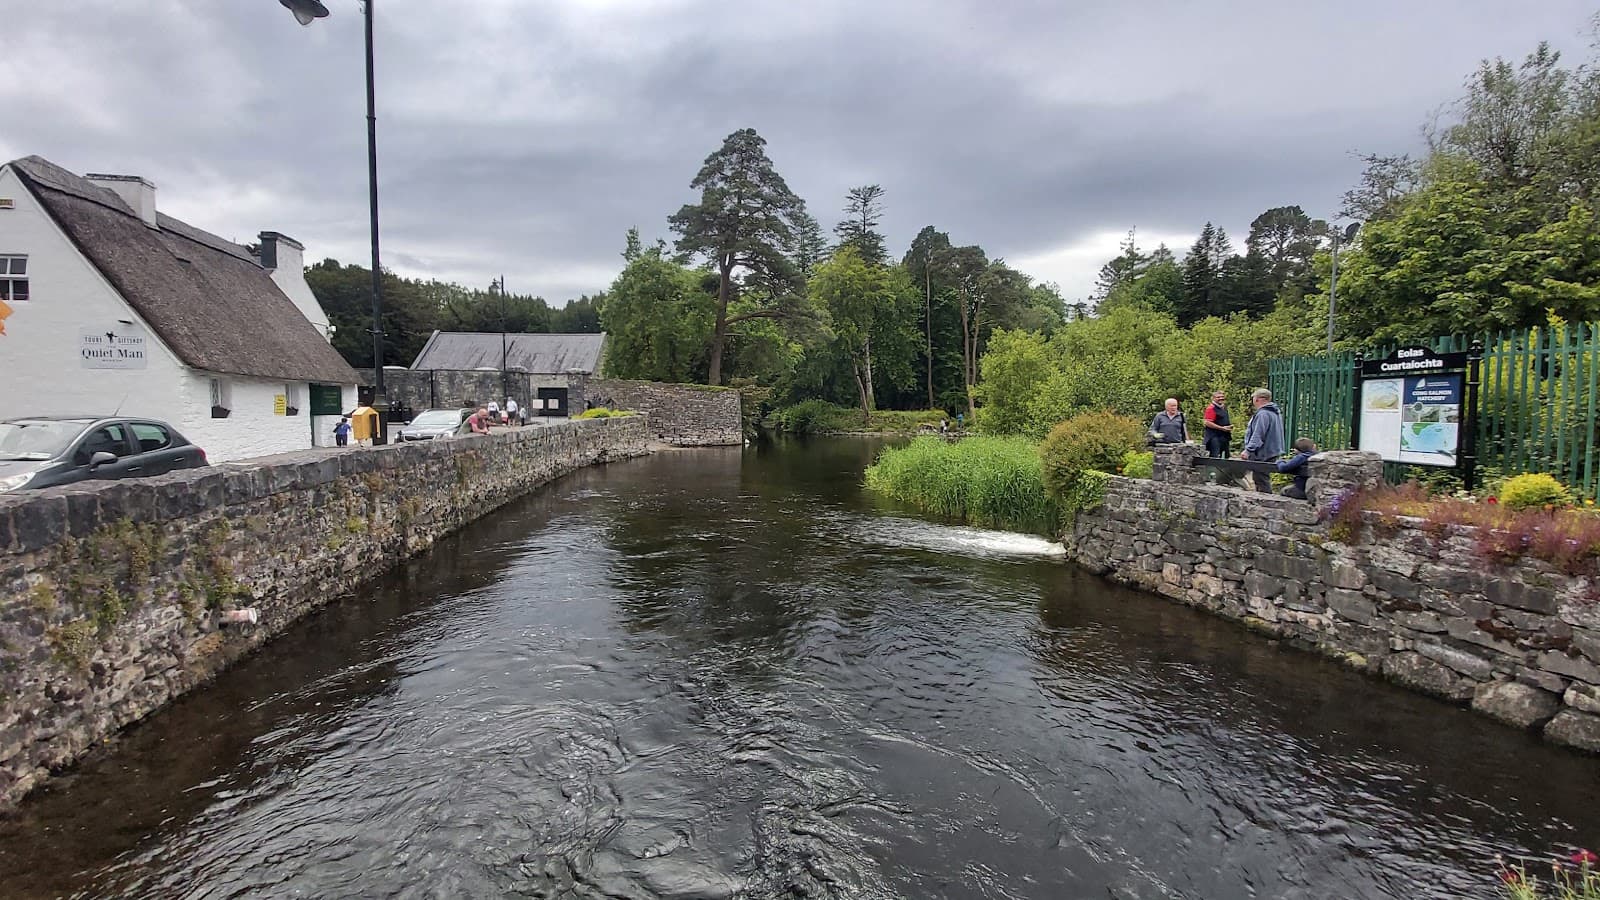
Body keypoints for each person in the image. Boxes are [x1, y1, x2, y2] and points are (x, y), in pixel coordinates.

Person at [1240, 388, 1285, 493]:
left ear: (1258, 399)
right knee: (1263, 478)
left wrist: (1248, 450)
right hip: (1272, 450)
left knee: (1261, 480)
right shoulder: (1275, 412)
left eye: (1254, 398)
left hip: (1263, 453)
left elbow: (1258, 434)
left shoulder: (1263, 414)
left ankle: (1265, 504)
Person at [1202, 391, 1232, 458]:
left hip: (1224, 437)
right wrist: (1222, 428)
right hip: (1214, 437)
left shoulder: (1224, 407)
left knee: (1226, 456)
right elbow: (1207, 422)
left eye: (1222, 397)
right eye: (1218, 397)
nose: (1221, 398)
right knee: (1215, 457)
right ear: (1213, 398)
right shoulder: (1211, 408)